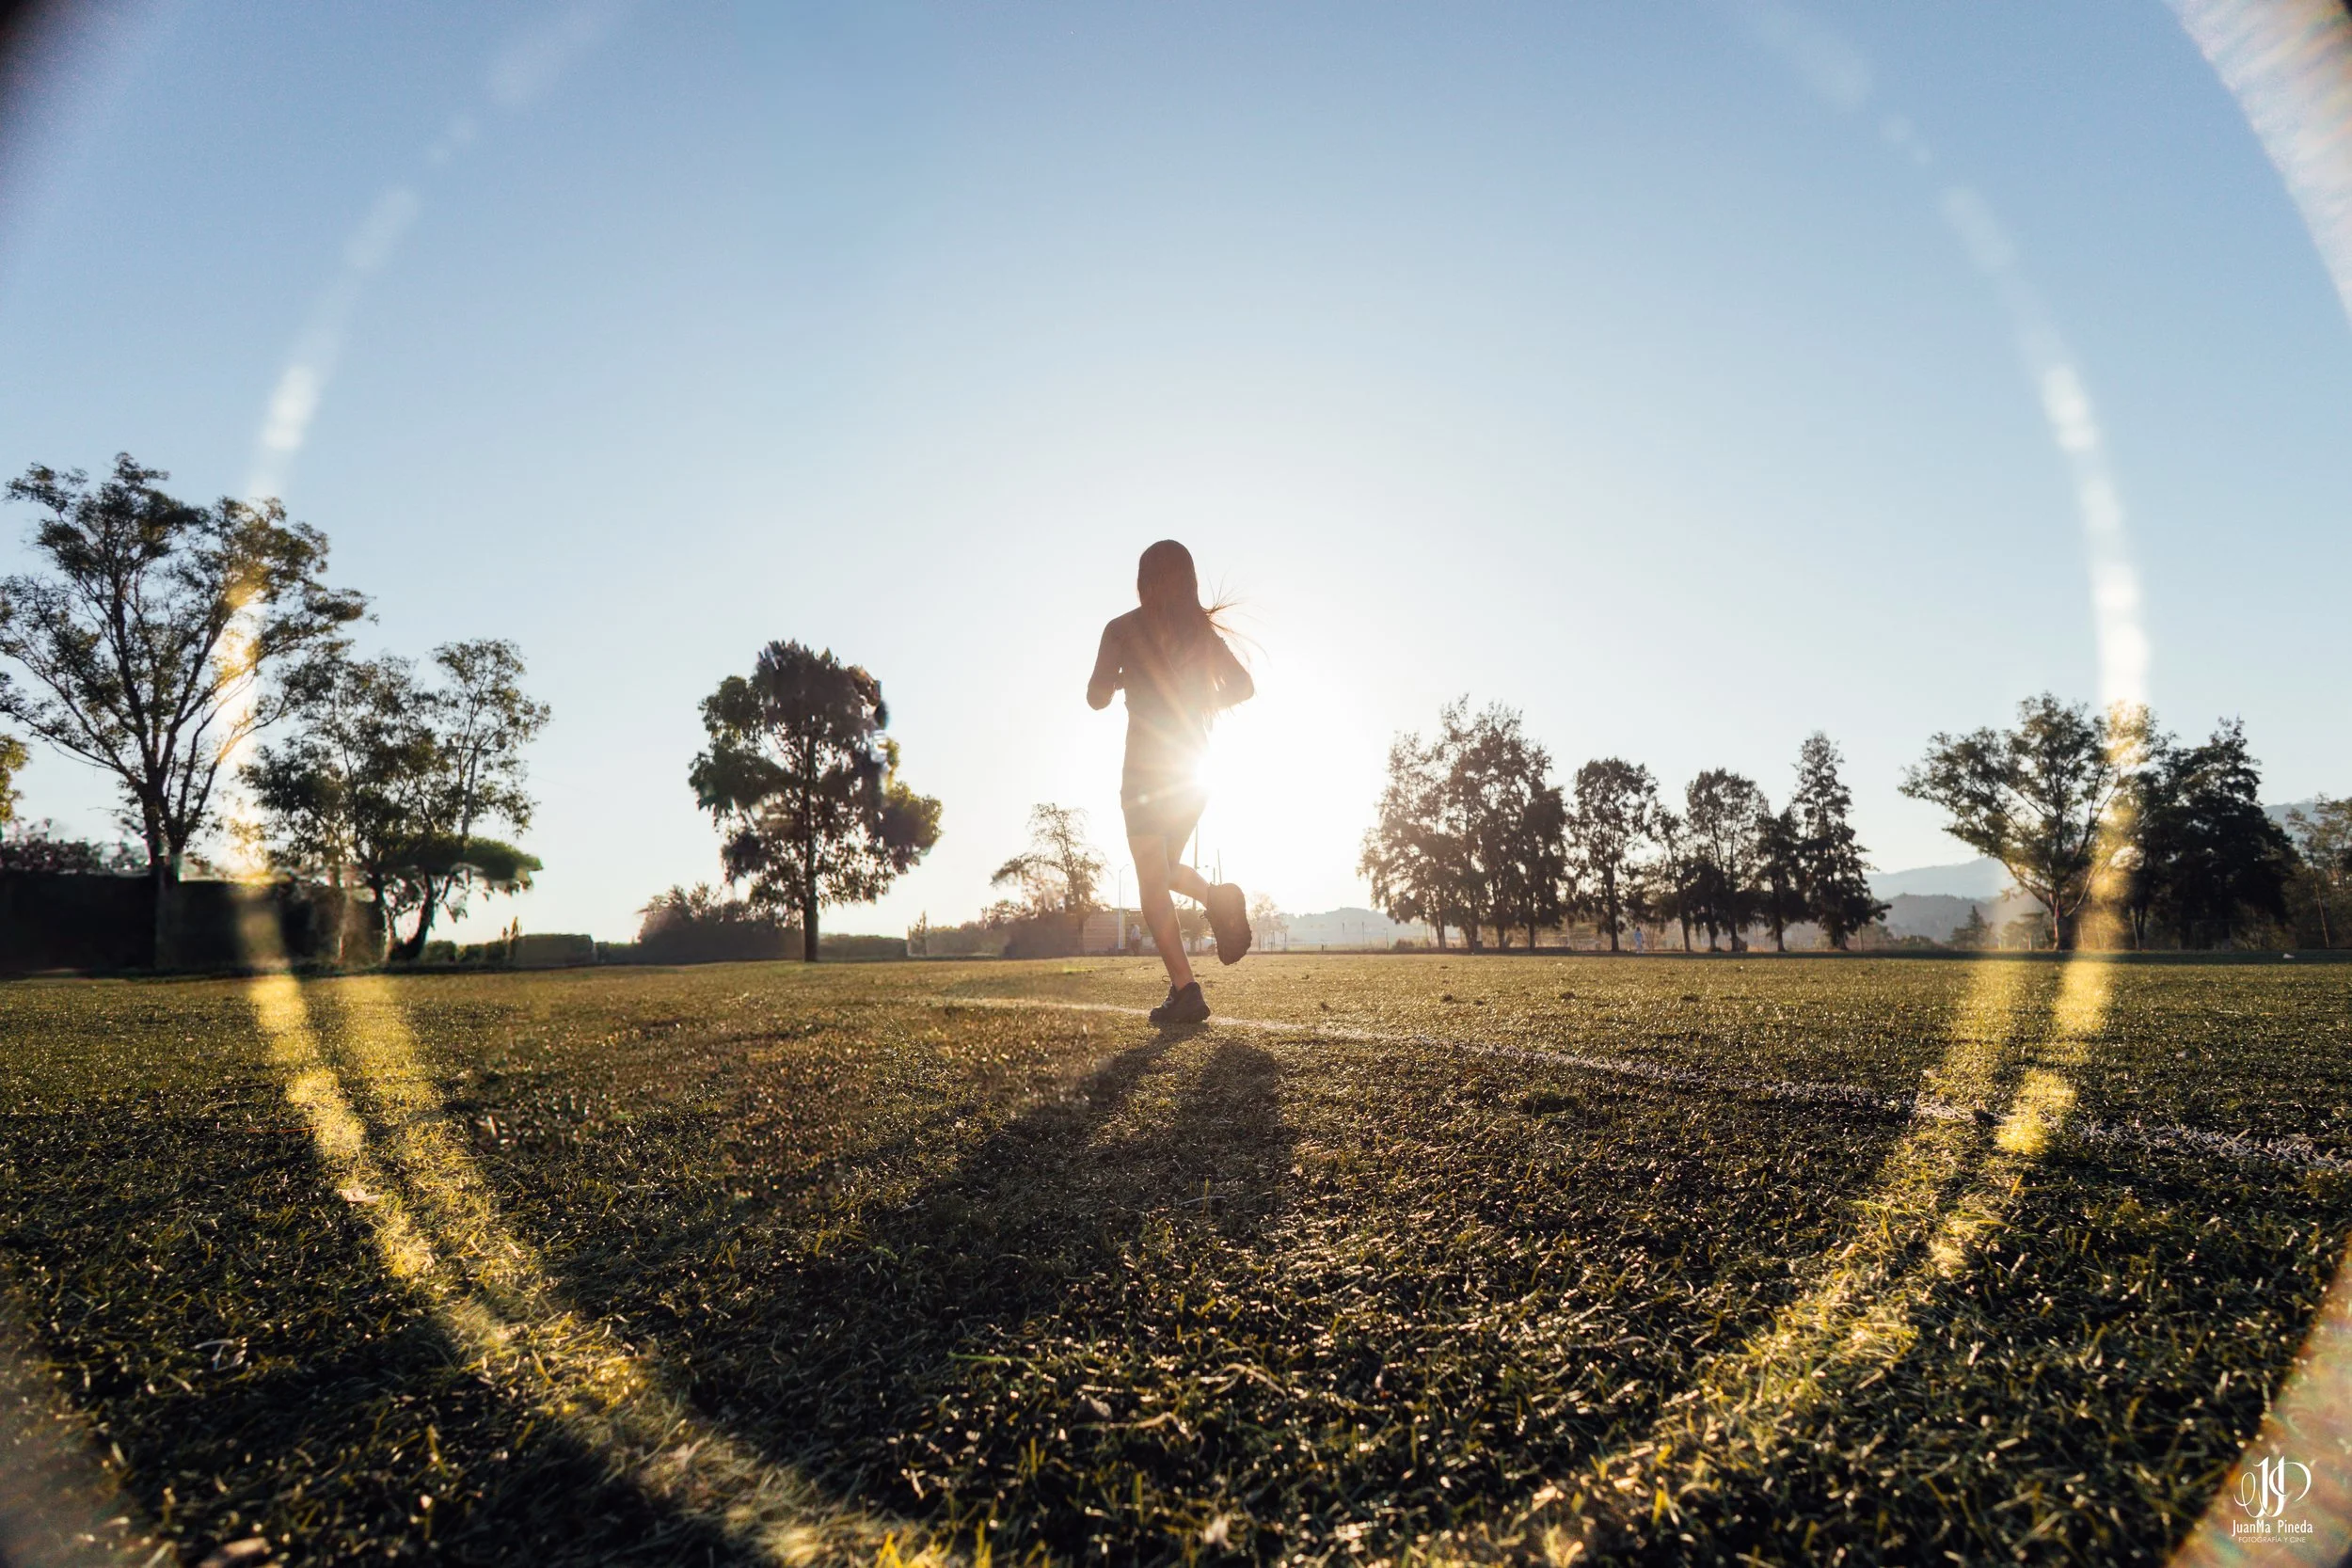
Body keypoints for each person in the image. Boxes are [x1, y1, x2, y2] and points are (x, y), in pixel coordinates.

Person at [1088, 540, 1255, 1025]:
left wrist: (1120, 679)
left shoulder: (1121, 629)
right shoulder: (1200, 632)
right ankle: (1215, 899)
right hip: (1193, 767)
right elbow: (1244, 687)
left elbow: (1095, 697)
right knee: (1165, 865)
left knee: (1151, 880)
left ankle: (1185, 990)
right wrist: (1201, 705)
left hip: (1145, 768)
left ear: (1143, 580)